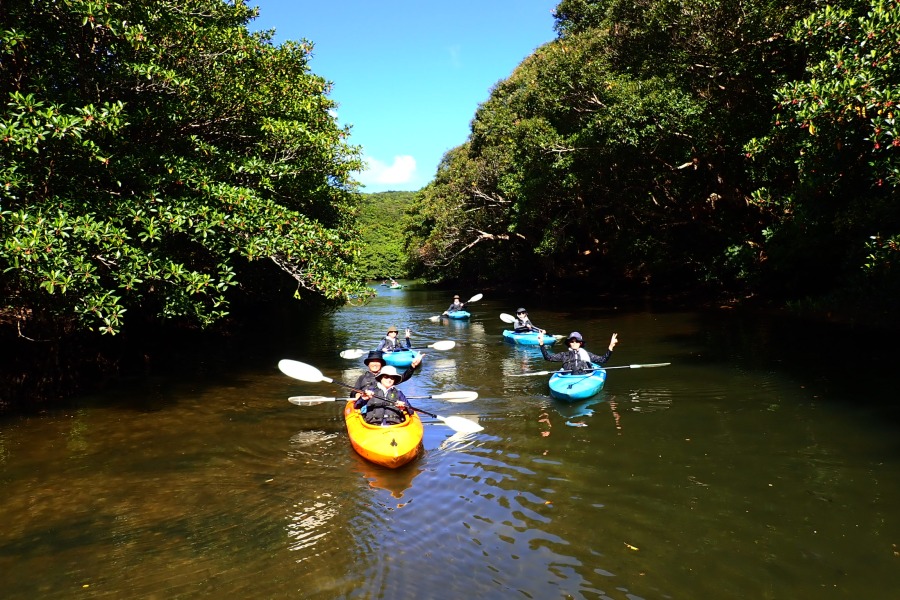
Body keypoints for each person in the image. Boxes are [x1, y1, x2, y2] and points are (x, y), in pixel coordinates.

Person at [538, 330, 618, 374]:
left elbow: (603, 360)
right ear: (569, 343)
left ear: (580, 343)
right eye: (572, 341)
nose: (574, 343)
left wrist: (611, 346)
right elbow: (548, 357)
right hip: (567, 378)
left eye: (576, 341)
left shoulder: (587, 355)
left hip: (584, 378)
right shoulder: (564, 355)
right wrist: (541, 344)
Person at [350, 350, 420, 396]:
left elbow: (404, 377)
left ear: (381, 364)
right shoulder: (362, 378)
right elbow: (353, 392)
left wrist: (412, 366)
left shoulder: (388, 377)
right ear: (368, 364)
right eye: (372, 361)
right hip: (365, 403)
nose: (375, 364)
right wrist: (358, 394)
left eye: (377, 362)